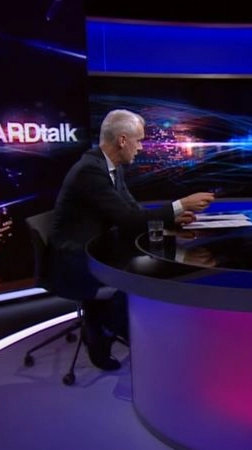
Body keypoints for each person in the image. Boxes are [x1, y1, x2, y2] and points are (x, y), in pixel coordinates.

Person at [49, 109, 215, 371]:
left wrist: (172, 218)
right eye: (138, 140)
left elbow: (133, 212)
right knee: (134, 279)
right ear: (122, 140)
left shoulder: (111, 168)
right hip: (74, 259)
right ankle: (122, 339)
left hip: (97, 249)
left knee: (145, 266)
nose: (141, 147)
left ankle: (108, 328)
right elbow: (127, 219)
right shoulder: (90, 171)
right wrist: (180, 204)